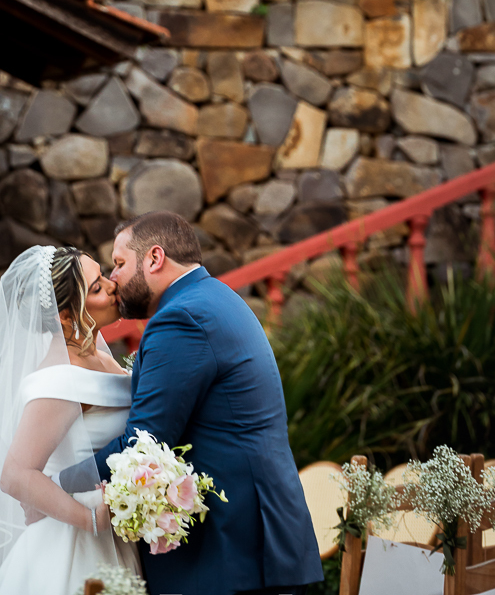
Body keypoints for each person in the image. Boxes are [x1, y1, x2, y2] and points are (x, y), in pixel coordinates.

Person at [59, 210, 322, 595]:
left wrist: (58, 482)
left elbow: (144, 443)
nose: (112, 279)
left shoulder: (180, 319)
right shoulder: (211, 297)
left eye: (118, 264)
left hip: (231, 549)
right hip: (255, 540)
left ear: (154, 258)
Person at [0, 244, 141, 595]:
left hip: (114, 535)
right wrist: (90, 519)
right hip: (73, 547)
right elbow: (15, 476)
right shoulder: (59, 378)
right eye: (97, 287)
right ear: (67, 318)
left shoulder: (98, 351)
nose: (112, 285)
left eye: (102, 276)